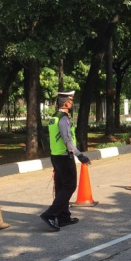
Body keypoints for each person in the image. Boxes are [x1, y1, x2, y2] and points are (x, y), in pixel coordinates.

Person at [40, 91, 91, 231]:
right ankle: (50, 214)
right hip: (64, 157)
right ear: (66, 103)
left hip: (56, 156)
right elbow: (67, 139)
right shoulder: (63, 119)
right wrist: (80, 155)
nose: (72, 103)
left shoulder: (54, 118)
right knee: (69, 186)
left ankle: (63, 217)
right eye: (71, 100)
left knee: (61, 187)